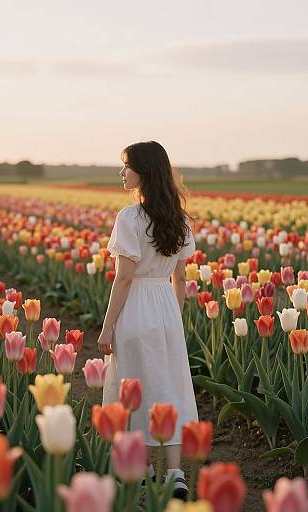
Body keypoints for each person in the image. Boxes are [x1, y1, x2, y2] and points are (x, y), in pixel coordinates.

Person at [97, 140, 199, 500]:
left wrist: (108, 326)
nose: (121, 173)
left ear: (144, 171)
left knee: (134, 386)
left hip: (137, 305)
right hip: (166, 308)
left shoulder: (129, 218)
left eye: (126, 166)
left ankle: (140, 470)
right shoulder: (180, 219)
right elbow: (181, 279)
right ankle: (175, 473)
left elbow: (124, 277)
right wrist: (174, 316)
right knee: (168, 384)